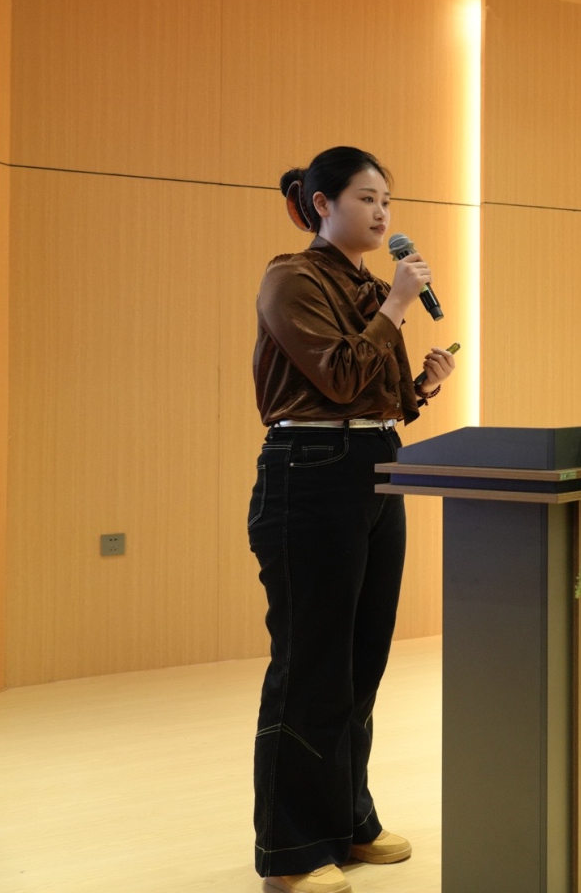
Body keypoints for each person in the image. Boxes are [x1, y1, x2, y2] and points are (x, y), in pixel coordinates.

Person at [247, 146, 455, 893]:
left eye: (387, 202)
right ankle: (292, 852)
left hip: (373, 464)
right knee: (311, 663)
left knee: (363, 659)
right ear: (321, 204)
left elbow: (375, 393)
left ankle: (348, 819)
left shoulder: (370, 286)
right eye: (366, 198)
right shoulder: (291, 278)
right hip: (308, 471)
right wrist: (395, 306)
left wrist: (421, 384)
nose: (382, 213)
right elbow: (334, 377)